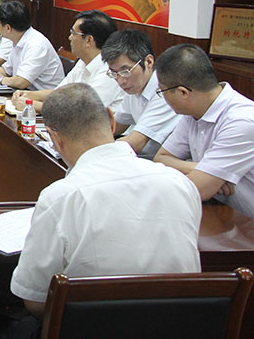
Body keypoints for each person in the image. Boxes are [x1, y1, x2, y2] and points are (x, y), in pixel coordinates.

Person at [11, 83, 201, 321]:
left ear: (54, 138)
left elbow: (35, 300)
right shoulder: (180, 183)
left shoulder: (61, 197)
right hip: (178, 324)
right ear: (112, 121)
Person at [154, 44, 254, 219]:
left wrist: (206, 177)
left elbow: (198, 189)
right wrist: (203, 170)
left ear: (183, 92)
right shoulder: (194, 111)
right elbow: (161, 158)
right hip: (224, 213)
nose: (162, 97)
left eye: (161, 91)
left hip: (247, 223)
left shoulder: (241, 121)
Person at [12, 10, 124, 112]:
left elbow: (80, 112)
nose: (69, 37)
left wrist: (31, 105)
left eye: (73, 33)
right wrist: (30, 95)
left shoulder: (109, 72)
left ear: (89, 40)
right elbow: (60, 92)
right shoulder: (84, 61)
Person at [100, 29, 180, 159]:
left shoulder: (165, 91)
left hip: (165, 163)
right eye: (114, 73)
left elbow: (135, 144)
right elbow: (117, 125)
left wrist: (92, 149)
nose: (120, 80)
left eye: (125, 71)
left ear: (148, 62)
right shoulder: (134, 87)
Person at [0, 1, 63, 90]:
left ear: (8, 28)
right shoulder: (17, 38)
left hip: (42, 100)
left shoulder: (36, 45)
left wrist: (0, 80)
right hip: (25, 94)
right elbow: (6, 70)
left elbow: (21, 81)